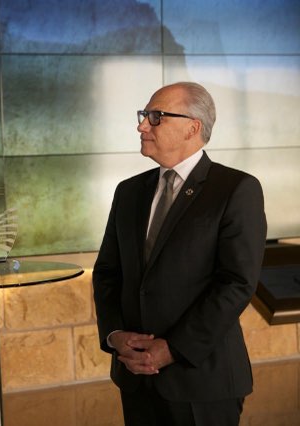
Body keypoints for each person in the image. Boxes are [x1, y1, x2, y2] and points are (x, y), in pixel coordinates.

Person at [92, 82, 267, 426]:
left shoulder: (236, 189)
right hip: (136, 379)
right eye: (144, 116)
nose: (142, 126)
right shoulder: (128, 192)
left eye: (156, 117)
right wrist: (115, 336)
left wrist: (173, 348)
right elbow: (108, 273)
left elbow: (236, 283)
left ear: (192, 127)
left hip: (202, 379)